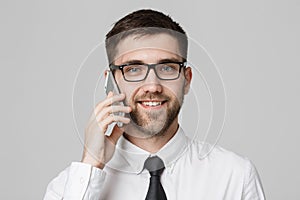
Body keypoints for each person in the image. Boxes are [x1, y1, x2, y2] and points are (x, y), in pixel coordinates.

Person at [44, 9, 265, 200]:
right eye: (133, 69)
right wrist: (92, 162)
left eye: (167, 68)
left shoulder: (235, 176)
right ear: (110, 82)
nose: (152, 86)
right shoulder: (67, 187)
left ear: (186, 79)